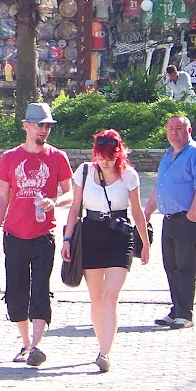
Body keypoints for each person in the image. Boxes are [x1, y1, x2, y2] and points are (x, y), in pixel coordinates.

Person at [0, 102, 73, 367]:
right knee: (15, 293)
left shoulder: (57, 157)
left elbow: (70, 194)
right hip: (14, 234)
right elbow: (2, 198)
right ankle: (25, 343)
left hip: (43, 235)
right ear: (26, 126)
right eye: (39, 125)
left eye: (47, 125)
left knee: (40, 290)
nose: (44, 130)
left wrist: (54, 202)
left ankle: (36, 345)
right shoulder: (10, 158)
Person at [61, 130, 149, 373]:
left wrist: (145, 244)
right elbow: (74, 208)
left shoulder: (129, 175)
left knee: (111, 296)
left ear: (119, 155)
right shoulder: (85, 171)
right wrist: (67, 239)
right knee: (96, 298)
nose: (105, 162)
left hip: (119, 237)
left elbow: (137, 213)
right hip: (90, 235)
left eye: (110, 157)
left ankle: (105, 352)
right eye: (101, 157)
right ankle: (102, 344)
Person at [144, 115, 196, 330]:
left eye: (179, 128)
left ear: (189, 131)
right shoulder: (168, 154)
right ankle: (176, 309)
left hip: (188, 218)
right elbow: (160, 186)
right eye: (170, 128)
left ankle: (186, 314)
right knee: (171, 266)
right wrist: (146, 212)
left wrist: (192, 212)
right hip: (169, 219)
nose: (174, 132)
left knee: (185, 266)